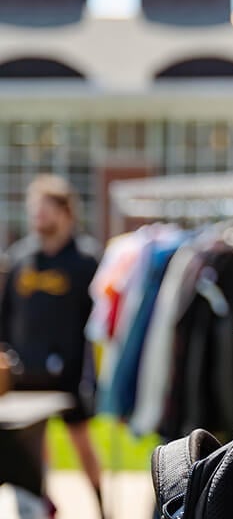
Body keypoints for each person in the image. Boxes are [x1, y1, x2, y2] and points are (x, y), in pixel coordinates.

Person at [0, 174, 104, 517]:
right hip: (24, 371)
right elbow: (6, 312)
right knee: (31, 447)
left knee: (82, 445)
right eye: (33, 210)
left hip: (69, 373)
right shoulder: (19, 258)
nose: (37, 216)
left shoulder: (85, 260)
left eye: (44, 209)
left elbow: (97, 322)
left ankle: (102, 504)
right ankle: (43, 505)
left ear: (65, 211)